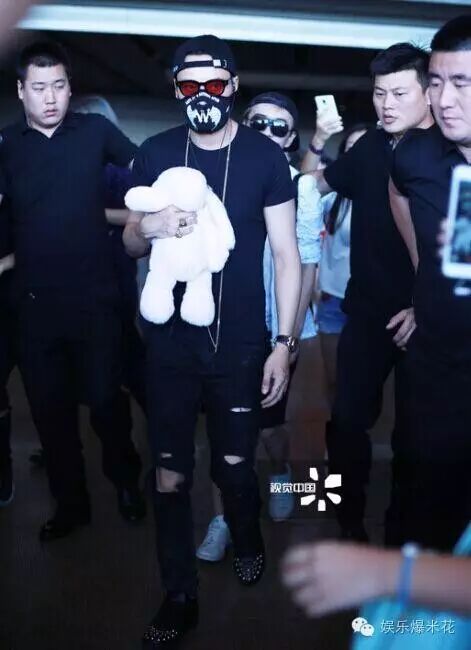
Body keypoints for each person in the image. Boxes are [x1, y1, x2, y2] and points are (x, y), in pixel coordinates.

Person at [124, 35, 301, 647]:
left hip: (242, 344)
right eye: (190, 84)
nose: (204, 95)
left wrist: (284, 344)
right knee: (169, 474)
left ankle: (247, 537)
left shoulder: (264, 158)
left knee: (234, 467)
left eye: (215, 84)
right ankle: (180, 595)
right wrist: (149, 225)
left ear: (233, 87)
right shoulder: (155, 152)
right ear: (176, 89)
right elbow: (130, 242)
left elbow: (287, 255)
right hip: (169, 346)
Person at [0, 42, 146, 541]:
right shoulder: (8, 144)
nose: (50, 98)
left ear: (69, 89)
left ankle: (126, 482)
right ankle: (71, 505)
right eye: (39, 87)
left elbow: (145, 166)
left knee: (106, 403)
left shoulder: (95, 132)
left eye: (59, 86)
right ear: (21, 91)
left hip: (95, 302)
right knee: (51, 414)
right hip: (34, 309)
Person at [308, 43, 434, 543]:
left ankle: (402, 532)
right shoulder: (370, 148)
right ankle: (347, 519)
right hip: (366, 313)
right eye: (380, 93)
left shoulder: (450, 151)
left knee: (415, 436)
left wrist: (426, 306)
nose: (386, 104)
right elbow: (315, 186)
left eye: (399, 93)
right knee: (346, 422)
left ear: (429, 93)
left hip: (428, 319)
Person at [196, 91, 322, 561]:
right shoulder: (213, 178)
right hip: (219, 327)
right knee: (224, 434)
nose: (268, 132)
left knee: (268, 430)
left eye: (279, 127)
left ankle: (282, 474)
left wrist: (288, 339)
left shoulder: (301, 188)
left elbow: (305, 265)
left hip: (273, 330)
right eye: (259, 123)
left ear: (291, 140)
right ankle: (223, 520)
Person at [389, 15, 471, 551]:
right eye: (436, 82)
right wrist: (426, 277)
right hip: (435, 371)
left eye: (461, 83)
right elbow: (398, 195)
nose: (443, 100)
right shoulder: (414, 155)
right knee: (425, 510)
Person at [316, 125, 369, 405]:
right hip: (332, 299)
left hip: (369, 302)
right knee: (334, 379)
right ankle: (336, 429)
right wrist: (317, 142)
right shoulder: (334, 193)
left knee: (360, 380)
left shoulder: (390, 191)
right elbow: (302, 187)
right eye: (352, 149)